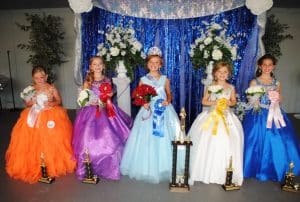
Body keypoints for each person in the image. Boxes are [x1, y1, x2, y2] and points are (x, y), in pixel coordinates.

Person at [5, 66, 75, 184]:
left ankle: (53, 161)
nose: (40, 80)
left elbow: (59, 101)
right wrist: (32, 101)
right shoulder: (30, 89)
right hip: (34, 115)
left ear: (46, 77)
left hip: (51, 115)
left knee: (54, 137)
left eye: (42, 77)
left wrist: (51, 103)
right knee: (32, 139)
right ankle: (37, 163)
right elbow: (27, 104)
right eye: (37, 78)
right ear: (33, 78)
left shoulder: (51, 88)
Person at [120, 47, 181, 183]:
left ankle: (165, 165)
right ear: (147, 64)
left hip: (164, 109)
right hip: (149, 110)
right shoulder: (143, 79)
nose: (154, 65)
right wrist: (143, 103)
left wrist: (168, 100)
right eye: (151, 63)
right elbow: (139, 95)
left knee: (165, 135)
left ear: (161, 64)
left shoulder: (165, 79)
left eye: (156, 63)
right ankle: (146, 165)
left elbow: (169, 94)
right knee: (147, 136)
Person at [72, 56, 132, 180]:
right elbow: (84, 97)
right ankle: (89, 162)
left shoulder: (107, 80)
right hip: (91, 111)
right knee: (88, 136)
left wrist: (109, 95)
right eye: (95, 64)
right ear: (90, 67)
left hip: (105, 108)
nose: (98, 66)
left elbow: (108, 94)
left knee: (109, 135)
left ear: (103, 66)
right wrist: (90, 101)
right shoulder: (88, 81)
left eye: (100, 64)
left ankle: (109, 163)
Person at [243, 54, 300, 181]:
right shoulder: (254, 81)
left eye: (270, 65)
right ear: (260, 66)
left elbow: (279, 99)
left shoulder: (277, 83)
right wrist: (254, 100)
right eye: (264, 65)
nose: (267, 67)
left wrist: (279, 99)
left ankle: (278, 166)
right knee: (257, 139)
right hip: (258, 114)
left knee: (279, 139)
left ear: (273, 66)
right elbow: (250, 98)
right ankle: (255, 165)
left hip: (275, 113)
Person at [188, 61, 244, 185]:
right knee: (208, 140)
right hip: (212, 116)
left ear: (228, 74)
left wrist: (227, 103)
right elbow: (204, 101)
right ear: (215, 74)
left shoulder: (231, 87)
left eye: (225, 72)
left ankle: (224, 171)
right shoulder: (211, 86)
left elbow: (234, 101)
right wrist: (215, 102)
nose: (222, 74)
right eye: (219, 72)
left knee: (226, 141)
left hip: (226, 117)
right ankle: (205, 169)